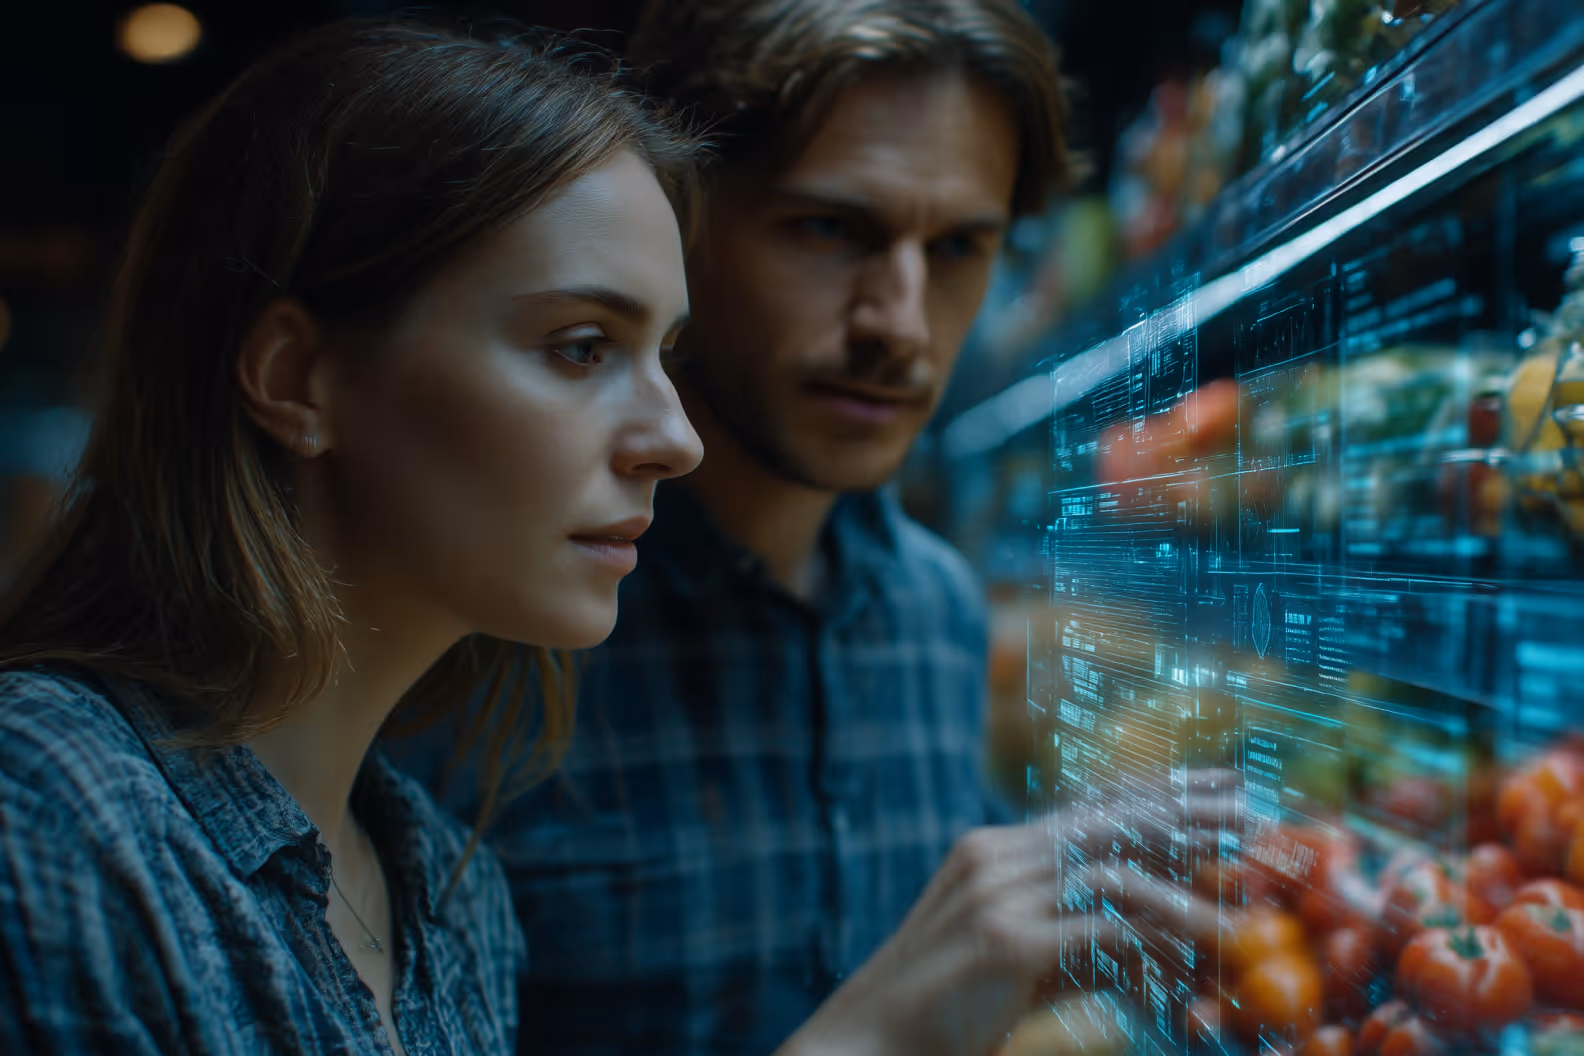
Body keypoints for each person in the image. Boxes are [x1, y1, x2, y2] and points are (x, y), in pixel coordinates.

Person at [392, 2, 1226, 1053]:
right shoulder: (470, 641)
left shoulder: (936, 614)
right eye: (832, 229)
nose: (902, 323)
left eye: (961, 246)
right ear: (678, 222)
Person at [0, 19, 703, 1054]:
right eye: (581, 347)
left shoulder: (452, 895)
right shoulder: (50, 822)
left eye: (666, 352)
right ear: (297, 379)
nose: (676, 439)